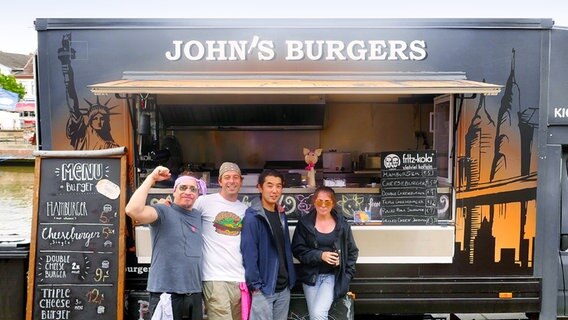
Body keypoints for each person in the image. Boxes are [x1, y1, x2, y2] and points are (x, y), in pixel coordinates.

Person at [124, 166, 205, 320]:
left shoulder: (198, 216)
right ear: (174, 191)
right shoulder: (163, 211)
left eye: (193, 189)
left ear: (197, 194)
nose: (188, 192)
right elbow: (132, 210)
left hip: (194, 292)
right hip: (166, 293)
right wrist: (151, 179)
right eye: (183, 187)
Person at [292, 186, 359, 320]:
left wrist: (346, 273)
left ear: (333, 203)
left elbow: (352, 252)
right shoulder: (304, 223)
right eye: (319, 201)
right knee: (315, 316)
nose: (323, 205)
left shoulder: (342, 224)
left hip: (332, 276)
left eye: (327, 201)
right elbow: (297, 250)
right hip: (310, 277)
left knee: (318, 314)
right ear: (314, 202)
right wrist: (320, 255)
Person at [194, 162, 249, 320]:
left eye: (235, 177)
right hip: (215, 278)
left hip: (240, 279)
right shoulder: (204, 202)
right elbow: (184, 217)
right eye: (227, 177)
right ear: (220, 181)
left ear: (241, 181)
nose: (231, 181)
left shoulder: (245, 209)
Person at [241, 170, 296, 320]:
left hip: (283, 288)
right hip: (264, 288)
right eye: (270, 185)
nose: (274, 190)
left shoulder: (281, 214)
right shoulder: (253, 218)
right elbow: (249, 254)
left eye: (278, 186)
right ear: (260, 187)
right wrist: (256, 286)